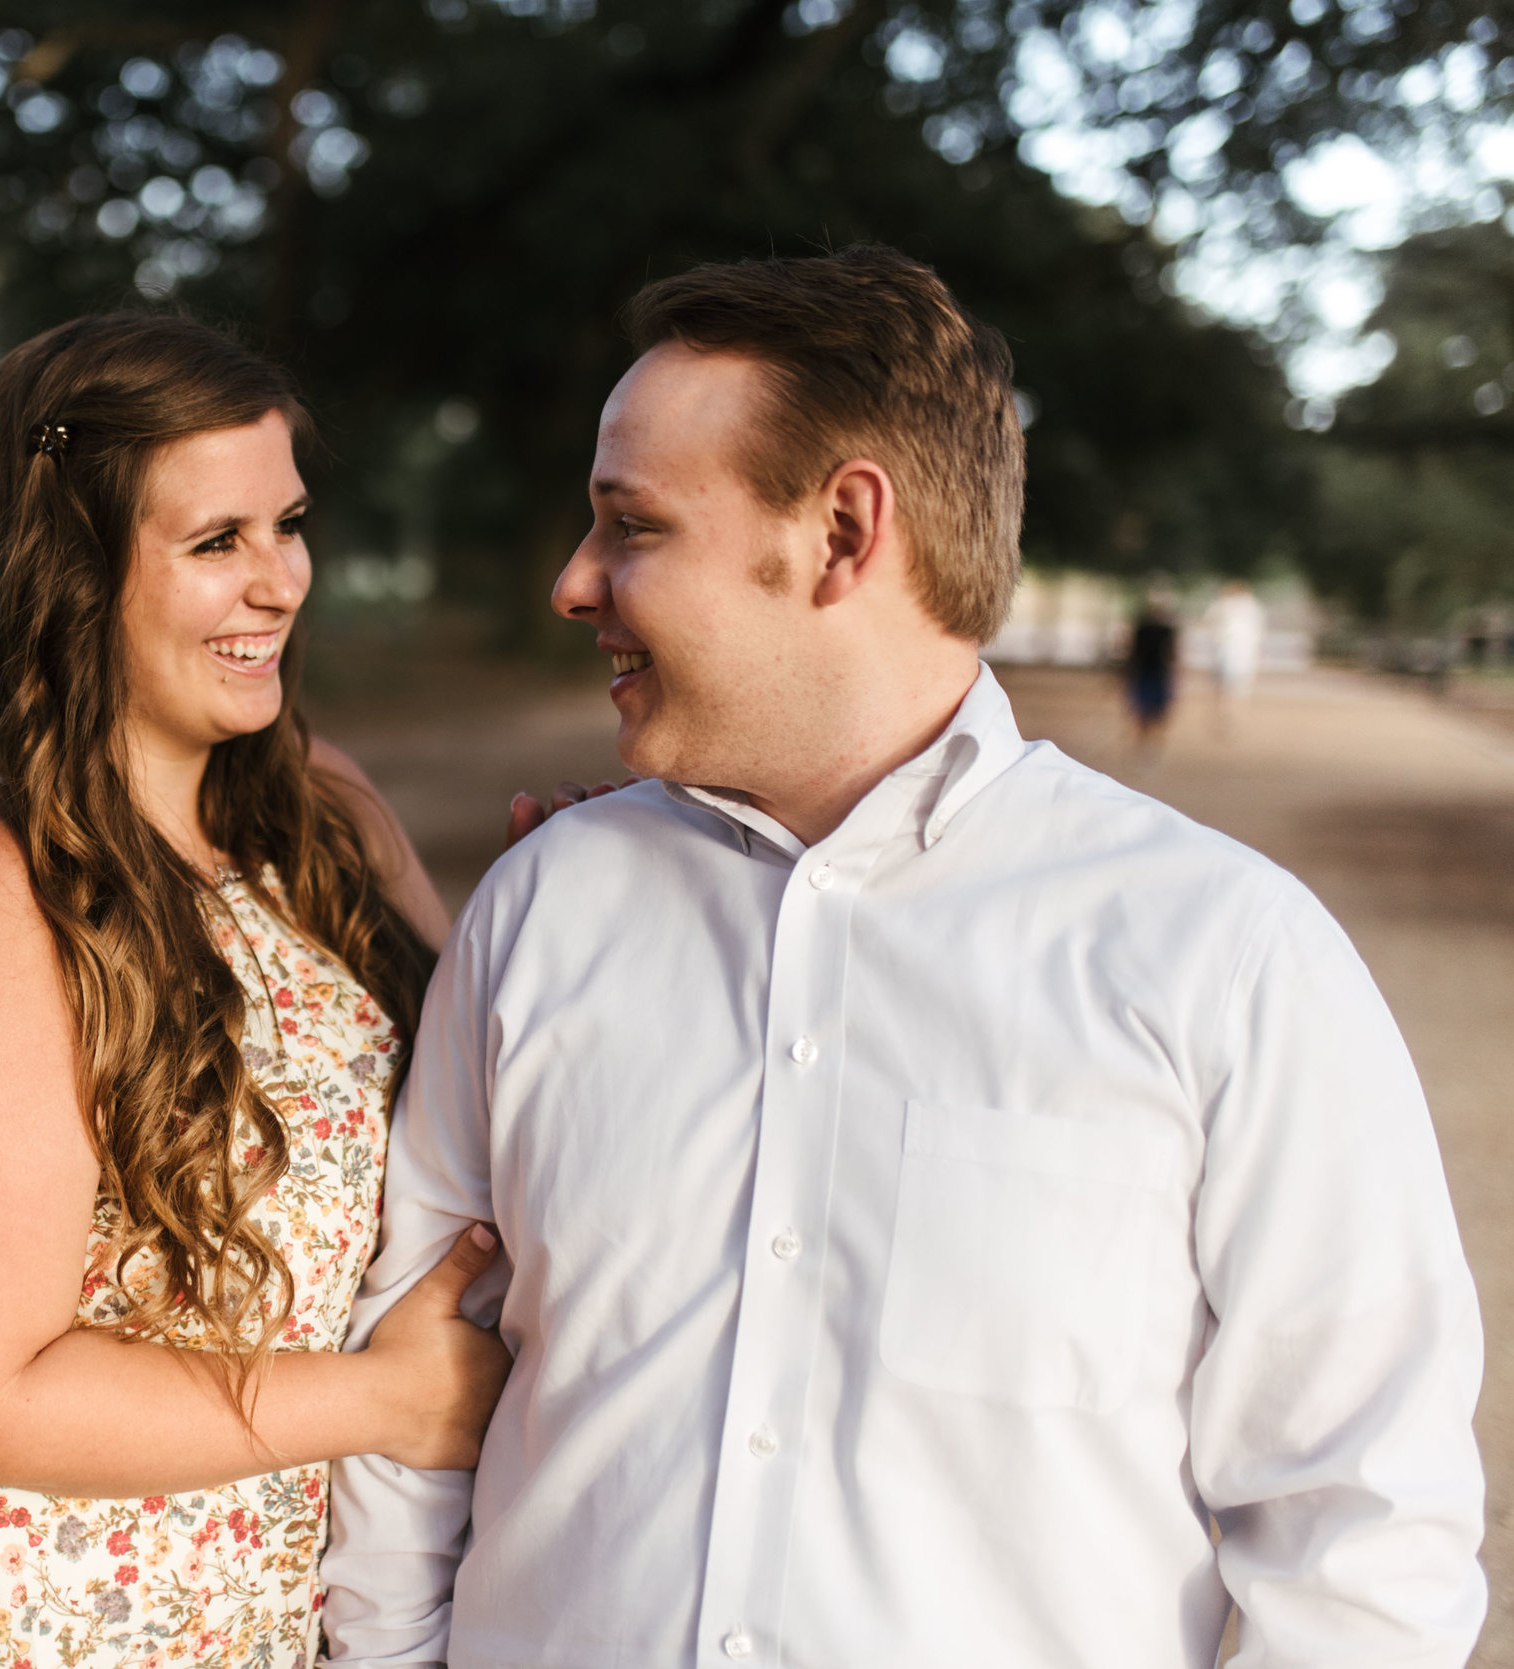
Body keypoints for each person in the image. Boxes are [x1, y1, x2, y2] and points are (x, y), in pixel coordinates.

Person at [321, 247, 1485, 1668]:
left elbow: (1363, 1529)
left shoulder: (1226, 957)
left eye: (632, 526)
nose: (574, 584)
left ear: (844, 531)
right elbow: (409, 1398)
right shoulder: (538, 910)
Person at [0, 314, 511, 1668]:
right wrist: (382, 1404)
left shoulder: (322, 809)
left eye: (288, 524)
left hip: (276, 1602)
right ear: (70, 569)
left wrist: (596, 899)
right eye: (216, 541)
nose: (281, 580)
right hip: (21, 1617)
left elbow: (484, 1102)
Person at [1204, 578, 1268, 729]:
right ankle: (1236, 715)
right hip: (1240, 651)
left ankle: (1227, 713)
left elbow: (1210, 622)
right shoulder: (1251, 606)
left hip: (1230, 651)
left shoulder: (1225, 605)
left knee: (1225, 686)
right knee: (1240, 687)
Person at [1126, 585, 1181, 757]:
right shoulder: (1142, 629)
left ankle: (1153, 746)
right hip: (1145, 673)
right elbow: (1133, 652)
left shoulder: (1167, 630)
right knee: (1142, 713)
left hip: (1159, 674)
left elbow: (1173, 654)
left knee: (1159, 714)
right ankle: (1143, 745)